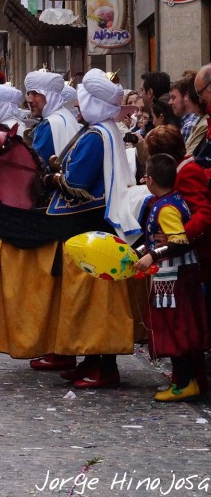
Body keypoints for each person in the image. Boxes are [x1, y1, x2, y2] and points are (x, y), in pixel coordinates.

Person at [44, 69, 142, 389]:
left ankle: (103, 364)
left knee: (95, 299)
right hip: (101, 224)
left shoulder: (94, 135)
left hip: (90, 225)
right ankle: (91, 359)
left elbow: (76, 183)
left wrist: (54, 178)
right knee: (93, 297)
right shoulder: (107, 129)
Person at [140, 128, 210, 400]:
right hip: (180, 265)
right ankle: (190, 379)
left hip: (176, 270)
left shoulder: (174, 194)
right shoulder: (167, 198)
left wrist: (156, 252)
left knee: (178, 327)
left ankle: (185, 381)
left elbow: (197, 219)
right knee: (184, 326)